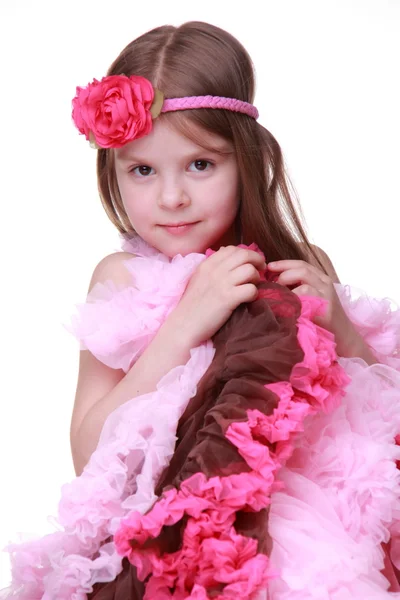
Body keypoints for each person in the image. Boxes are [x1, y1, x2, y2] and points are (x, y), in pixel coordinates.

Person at [2, 20, 400, 600]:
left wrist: (339, 327)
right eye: (142, 170)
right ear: (111, 171)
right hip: (182, 546)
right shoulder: (122, 279)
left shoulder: (302, 265)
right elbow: (89, 456)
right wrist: (186, 324)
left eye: (200, 165)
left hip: (316, 542)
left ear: (249, 160)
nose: (171, 198)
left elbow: (382, 421)